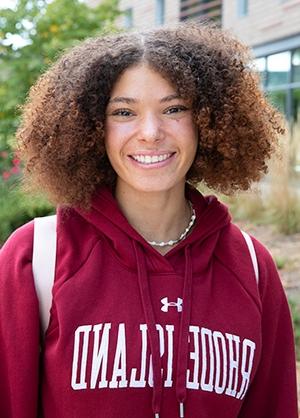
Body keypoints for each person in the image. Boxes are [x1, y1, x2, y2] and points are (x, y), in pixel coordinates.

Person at [0, 22, 298, 418]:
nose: (151, 132)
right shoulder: (36, 258)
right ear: (93, 128)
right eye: (123, 112)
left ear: (206, 121)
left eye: (174, 109)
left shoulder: (252, 267)